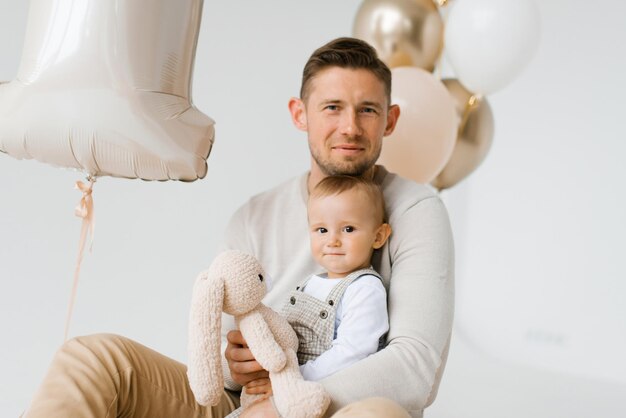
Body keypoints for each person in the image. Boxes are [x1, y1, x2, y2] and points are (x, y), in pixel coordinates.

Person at [23, 37, 454, 418]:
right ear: (299, 114)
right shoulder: (254, 217)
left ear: (390, 120)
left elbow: (415, 368)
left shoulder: (415, 209)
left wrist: (288, 403)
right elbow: (220, 369)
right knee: (94, 359)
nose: (350, 127)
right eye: (332, 108)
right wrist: (236, 364)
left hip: (338, 405)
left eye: (368, 110)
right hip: (244, 403)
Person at [241, 175, 392, 407]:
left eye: (348, 229)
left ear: (378, 236)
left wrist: (292, 380)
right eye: (321, 230)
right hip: (283, 385)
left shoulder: (365, 288)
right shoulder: (311, 283)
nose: (333, 240)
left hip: (314, 396)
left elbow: (352, 354)